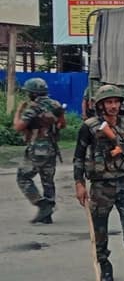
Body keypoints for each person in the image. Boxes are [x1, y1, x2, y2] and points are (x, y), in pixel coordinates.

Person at [73, 85, 124, 281]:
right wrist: (79, 183)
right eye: (109, 102)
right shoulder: (90, 126)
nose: (113, 106)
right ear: (100, 105)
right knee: (99, 230)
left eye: (116, 102)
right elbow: (79, 157)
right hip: (101, 186)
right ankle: (105, 267)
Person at [13, 78, 65, 224]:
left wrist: (18, 110)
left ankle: (42, 204)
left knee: (23, 177)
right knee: (48, 181)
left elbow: (18, 127)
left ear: (32, 93)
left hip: (36, 149)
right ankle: (47, 215)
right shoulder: (56, 105)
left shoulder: (33, 108)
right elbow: (62, 124)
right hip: (52, 147)